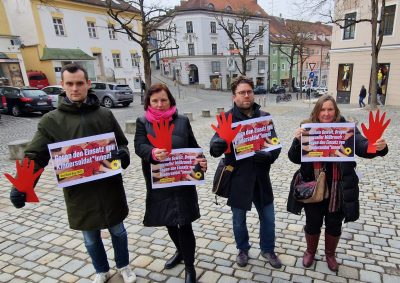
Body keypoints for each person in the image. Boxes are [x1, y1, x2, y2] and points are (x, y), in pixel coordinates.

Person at [8, 63, 136, 283]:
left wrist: (123, 154)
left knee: (118, 231)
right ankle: (101, 269)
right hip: (79, 191)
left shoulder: (104, 114)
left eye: (79, 83)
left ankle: (123, 265)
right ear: (62, 85)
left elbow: (121, 143)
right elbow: (35, 155)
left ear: (88, 84)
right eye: (70, 84)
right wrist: (22, 184)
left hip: (109, 187)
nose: (75, 88)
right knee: (90, 237)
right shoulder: (51, 121)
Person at [287, 95, 388, 271]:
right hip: (313, 185)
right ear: (317, 112)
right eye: (322, 110)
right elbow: (294, 158)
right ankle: (310, 251)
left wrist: (376, 146)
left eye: (330, 109)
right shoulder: (307, 127)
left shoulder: (346, 128)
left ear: (336, 111)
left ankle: (330, 254)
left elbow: (363, 146)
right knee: (313, 222)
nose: (326, 113)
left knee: (334, 224)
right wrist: (297, 141)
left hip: (338, 187)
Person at [134, 83, 207, 283]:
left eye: (163, 100)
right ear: (148, 102)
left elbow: (193, 145)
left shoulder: (182, 121)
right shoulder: (142, 122)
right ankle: (180, 251)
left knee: (184, 224)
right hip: (159, 181)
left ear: (170, 101)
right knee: (169, 221)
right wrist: (151, 152)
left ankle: (190, 268)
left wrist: (201, 160)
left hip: (183, 181)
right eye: (154, 100)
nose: (159, 104)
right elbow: (139, 146)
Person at [209, 76, 282, 269]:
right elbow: (215, 144)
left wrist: (269, 156)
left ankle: (268, 249)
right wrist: (216, 145)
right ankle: (242, 248)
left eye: (249, 91)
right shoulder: (227, 118)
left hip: (261, 177)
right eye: (242, 92)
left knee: (268, 218)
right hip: (238, 178)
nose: (246, 95)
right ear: (234, 97)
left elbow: (275, 145)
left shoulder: (263, 117)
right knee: (238, 219)